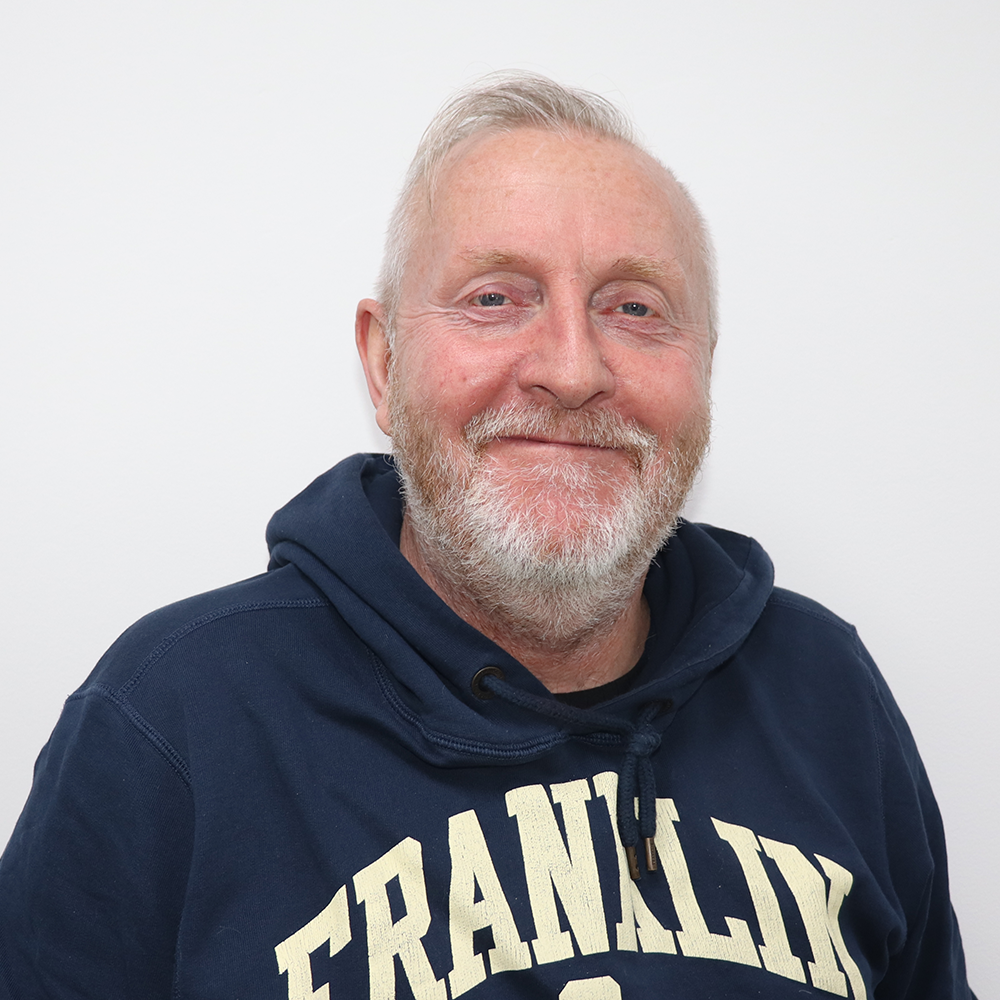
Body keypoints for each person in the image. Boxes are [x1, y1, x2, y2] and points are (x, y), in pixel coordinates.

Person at [0, 73, 974, 1000]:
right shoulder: (173, 719)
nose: (570, 368)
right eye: (495, 298)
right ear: (383, 366)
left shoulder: (824, 692)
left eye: (634, 309)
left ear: (703, 373)